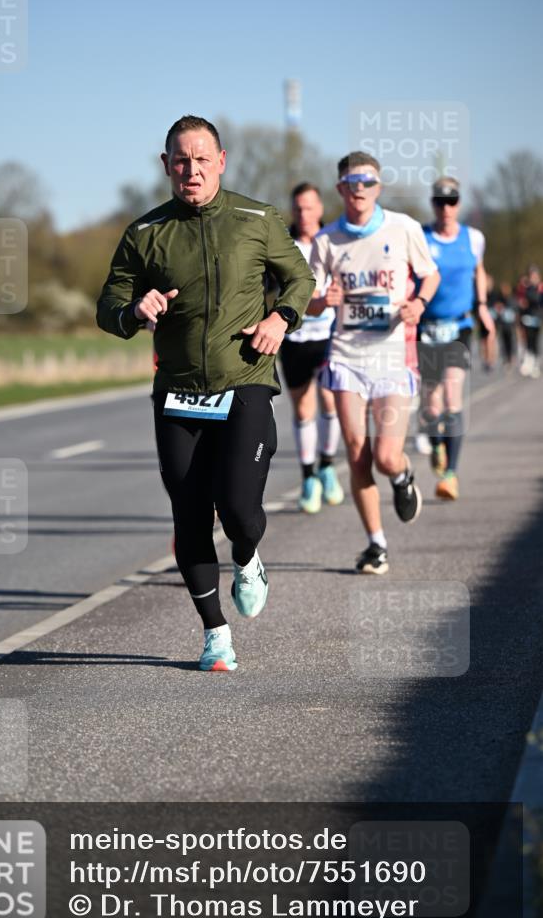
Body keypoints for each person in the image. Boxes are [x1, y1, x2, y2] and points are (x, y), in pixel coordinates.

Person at [97, 116, 315, 671]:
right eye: (179, 160)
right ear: (165, 165)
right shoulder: (145, 233)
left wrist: (281, 318)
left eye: (200, 159)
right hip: (177, 393)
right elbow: (109, 306)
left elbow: (300, 278)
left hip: (244, 381)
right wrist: (133, 310)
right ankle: (216, 633)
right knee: (189, 516)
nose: (190, 170)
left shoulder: (256, 218)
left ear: (221, 160)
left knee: (240, 509)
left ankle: (247, 557)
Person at [309, 151, 439, 575]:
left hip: (392, 355)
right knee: (357, 453)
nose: (360, 189)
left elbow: (429, 274)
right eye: (352, 182)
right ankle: (376, 544)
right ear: (341, 189)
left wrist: (418, 303)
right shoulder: (326, 240)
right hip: (346, 356)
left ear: (378, 187)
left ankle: (401, 477)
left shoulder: (403, 227)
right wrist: (319, 300)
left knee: (385, 455)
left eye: (368, 182)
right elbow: (307, 303)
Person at [417, 177, 495, 501]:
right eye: (439, 201)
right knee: (431, 406)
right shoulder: (420, 237)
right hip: (426, 326)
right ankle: (437, 445)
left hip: (459, 326)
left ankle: (450, 475)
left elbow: (478, 270)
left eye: (451, 201)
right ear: (433, 204)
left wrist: (482, 306)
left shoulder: (473, 238)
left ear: (458, 203)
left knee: (452, 397)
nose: (445, 207)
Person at [277, 182, 344, 513]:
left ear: (320, 208)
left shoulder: (334, 240)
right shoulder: (282, 246)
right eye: (298, 208)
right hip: (294, 338)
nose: (304, 214)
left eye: (309, 207)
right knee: (304, 410)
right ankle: (308, 478)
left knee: (330, 403)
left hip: (330, 336)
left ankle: (327, 466)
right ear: (293, 211)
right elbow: (272, 292)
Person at [519, 265, 541, 378]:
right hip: (527, 318)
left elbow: (537, 300)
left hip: (536, 318)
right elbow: (521, 300)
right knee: (528, 341)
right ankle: (528, 362)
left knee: (535, 341)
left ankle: (536, 364)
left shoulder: (540, 288)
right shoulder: (526, 288)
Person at [493, 281, 518, 371]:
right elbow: (496, 310)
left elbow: (515, 311)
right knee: (503, 342)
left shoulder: (512, 299)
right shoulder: (499, 299)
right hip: (502, 324)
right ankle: (505, 359)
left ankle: (512, 357)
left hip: (510, 325)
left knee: (511, 342)